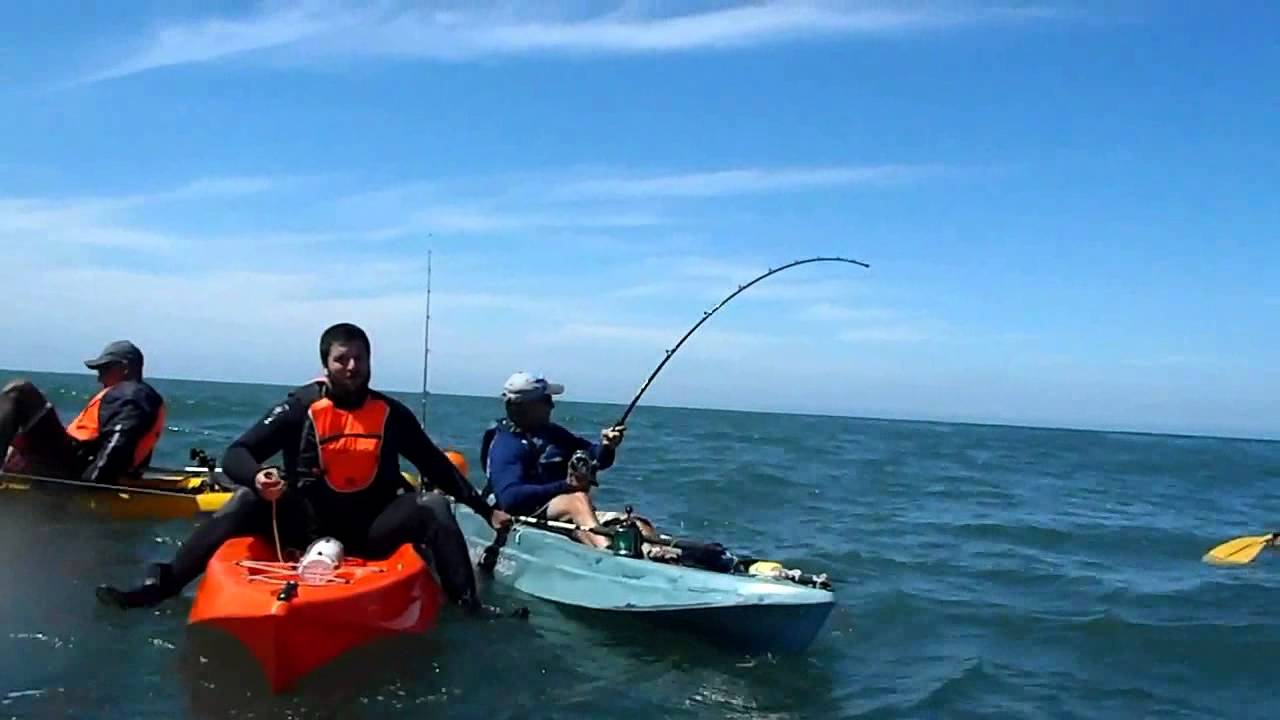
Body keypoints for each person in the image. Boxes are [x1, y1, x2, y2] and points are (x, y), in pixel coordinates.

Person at [97, 323, 516, 617]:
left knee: (433, 506)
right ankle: (164, 585)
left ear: (370, 362)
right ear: (325, 364)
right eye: (342, 359)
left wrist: (483, 509)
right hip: (305, 524)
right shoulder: (299, 407)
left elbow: (435, 465)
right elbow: (237, 453)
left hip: (371, 530)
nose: (352, 367)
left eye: (359, 359)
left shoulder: (390, 413)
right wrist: (258, 478)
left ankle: (469, 608)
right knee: (244, 499)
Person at [480, 372, 632, 549]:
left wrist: (607, 446)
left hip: (568, 514)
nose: (552, 405)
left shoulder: (553, 434)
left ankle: (660, 554)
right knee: (577, 500)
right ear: (527, 406)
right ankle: (606, 553)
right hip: (527, 516)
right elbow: (510, 499)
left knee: (632, 523)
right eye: (546, 400)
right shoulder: (506, 445)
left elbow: (595, 458)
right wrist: (566, 486)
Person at [0, 340, 166, 484]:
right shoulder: (141, 397)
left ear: (124, 368)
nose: (99, 378)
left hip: (73, 469)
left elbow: (118, 447)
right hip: (73, 462)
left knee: (20, 391)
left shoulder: (131, 395)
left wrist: (88, 489)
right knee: (28, 410)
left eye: (104, 370)